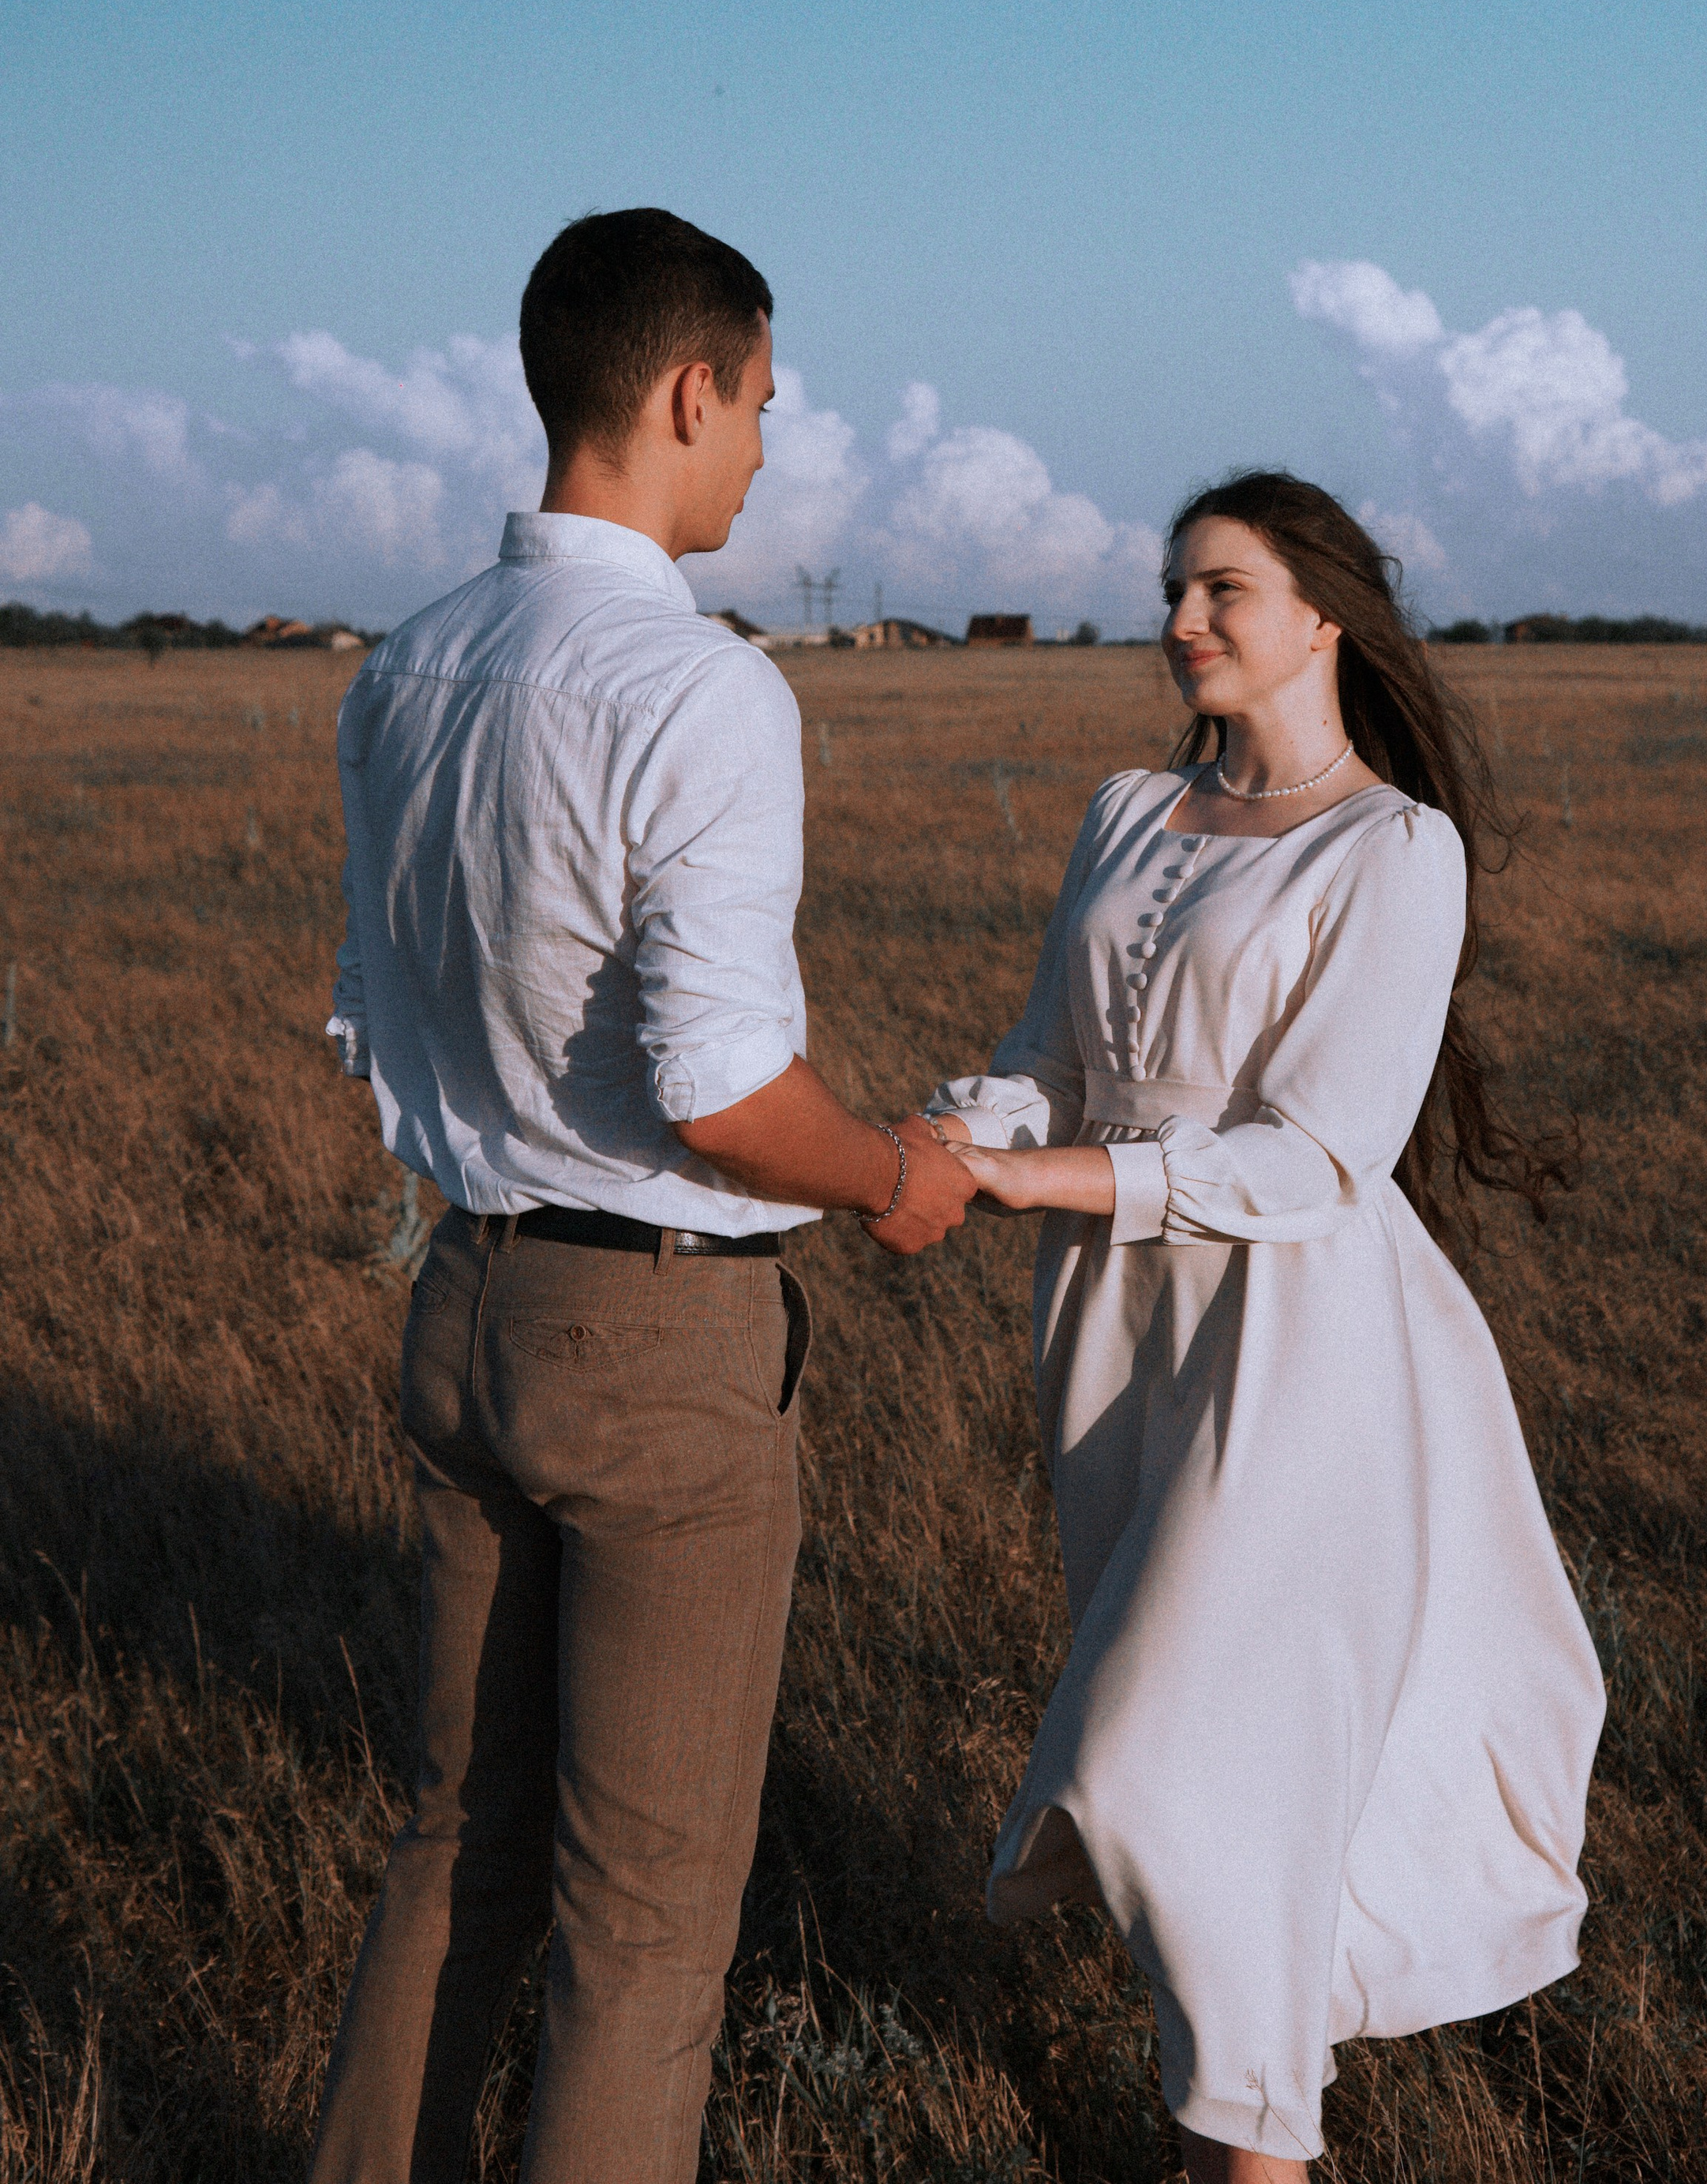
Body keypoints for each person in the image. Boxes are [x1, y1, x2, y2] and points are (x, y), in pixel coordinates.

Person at [309, 208, 974, 2184]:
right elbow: (722, 1093)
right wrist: (894, 1179)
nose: (766, 452)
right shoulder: (701, 687)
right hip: (663, 1335)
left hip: (463, 1302)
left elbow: (366, 1025)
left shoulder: (405, 667)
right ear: (687, 391)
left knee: (453, 1844)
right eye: (761, 406)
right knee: (648, 1918)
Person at [930, 473, 1606, 2183]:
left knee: (1161, 1759)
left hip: (1296, 1340)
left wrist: (1049, 1182)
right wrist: (959, 1141)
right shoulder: (1120, 813)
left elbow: (1314, 1155)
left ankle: (1258, 2148)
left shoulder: (1391, 848)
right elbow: (1048, 1062)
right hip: (1107, 1324)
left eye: (1219, 590)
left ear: (1322, 614)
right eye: (1172, 591)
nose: (1179, 624)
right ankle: (1235, 2122)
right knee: (1240, 1759)